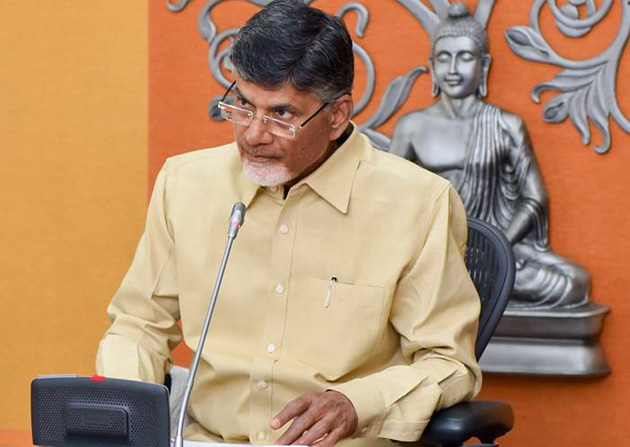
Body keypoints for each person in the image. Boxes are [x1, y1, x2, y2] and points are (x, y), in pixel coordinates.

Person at [96, 1, 481, 446]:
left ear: (337, 115)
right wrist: (123, 421)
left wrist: (359, 402)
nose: (253, 134)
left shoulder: (418, 204)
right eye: (243, 105)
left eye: (281, 115)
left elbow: (449, 364)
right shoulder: (185, 184)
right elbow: (139, 326)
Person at [390, 3, 590, 310]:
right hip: (435, 250)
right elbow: (392, 197)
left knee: (573, 282)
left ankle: (468, 286)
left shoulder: (505, 125)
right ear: (431, 64)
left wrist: (498, 246)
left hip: (495, 247)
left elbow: (534, 198)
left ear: (483, 65)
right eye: (444, 58)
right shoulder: (412, 127)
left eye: (464, 57)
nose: (453, 68)